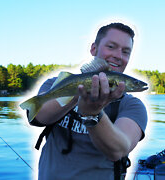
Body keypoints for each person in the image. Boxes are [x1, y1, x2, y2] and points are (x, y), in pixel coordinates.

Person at [28, 22, 148, 180]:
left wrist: (93, 113)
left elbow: (118, 150)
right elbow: (37, 116)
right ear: (93, 49)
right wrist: (78, 94)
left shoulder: (132, 106)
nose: (118, 55)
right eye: (111, 46)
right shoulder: (55, 84)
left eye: (126, 51)